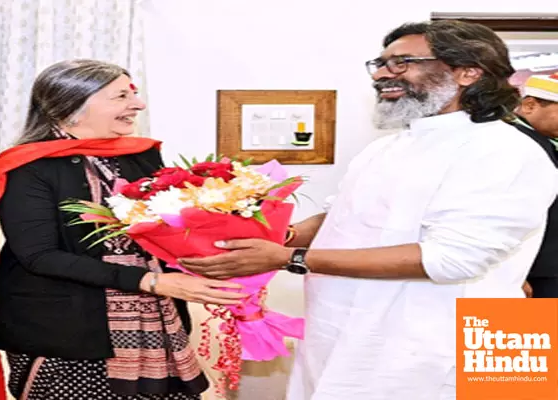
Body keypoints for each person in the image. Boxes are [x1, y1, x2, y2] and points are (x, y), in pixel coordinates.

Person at [179, 21, 558, 399]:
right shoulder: (389, 146)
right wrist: (267, 235)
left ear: (468, 72)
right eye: (380, 63)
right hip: (345, 335)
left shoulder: (504, 150)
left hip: (429, 348)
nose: (381, 74)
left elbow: (450, 260)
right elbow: (343, 215)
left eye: (402, 62)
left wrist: (288, 257)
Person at [0, 59, 246, 400]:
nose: (137, 104)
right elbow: (40, 256)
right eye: (121, 96)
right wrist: (152, 281)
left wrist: (222, 257)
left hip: (157, 326)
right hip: (64, 336)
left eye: (133, 94)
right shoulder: (26, 167)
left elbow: (162, 233)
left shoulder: (143, 156)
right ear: (72, 105)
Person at [509, 73, 558, 298]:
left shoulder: (546, 140)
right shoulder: (513, 143)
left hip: (546, 267)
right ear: (529, 106)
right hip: (534, 270)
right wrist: (514, 273)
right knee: (524, 332)